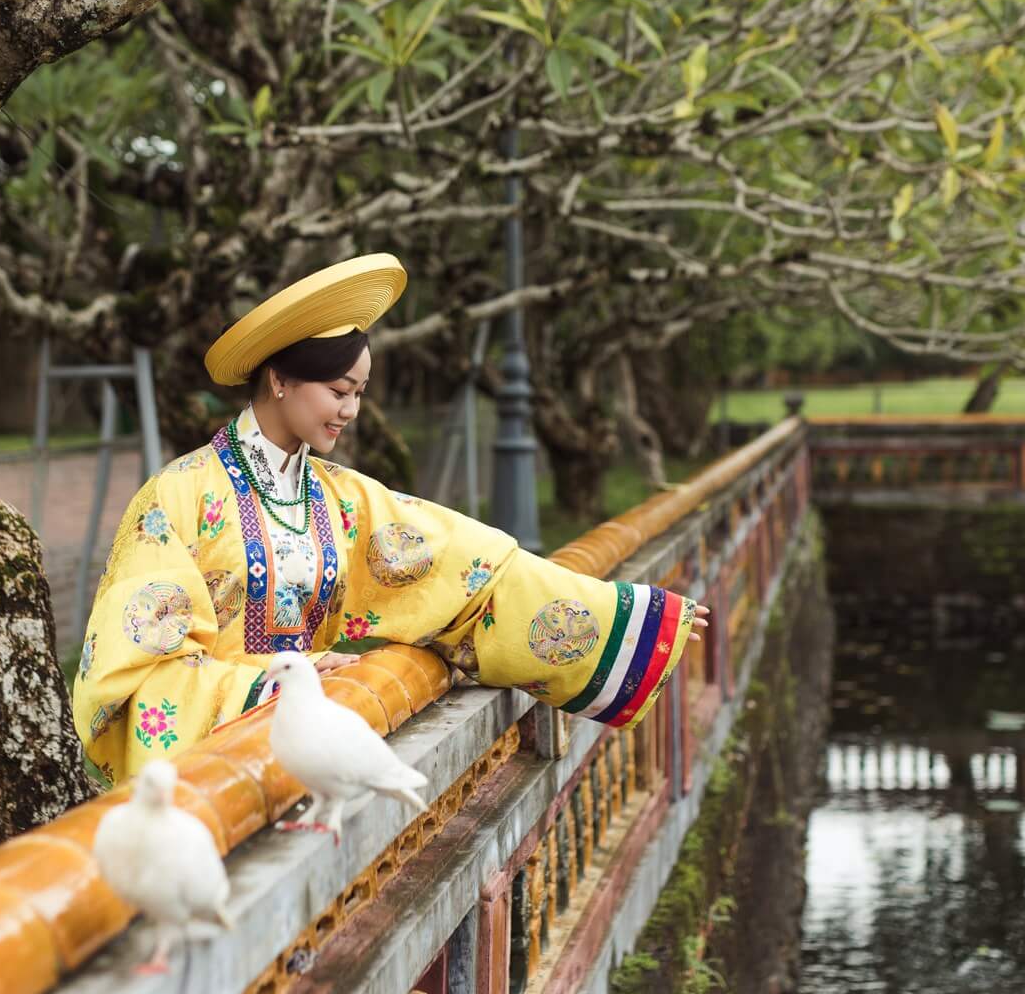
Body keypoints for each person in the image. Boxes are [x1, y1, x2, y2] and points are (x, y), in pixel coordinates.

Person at [72, 253, 709, 787]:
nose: (351, 410)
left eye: (360, 393)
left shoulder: (340, 499)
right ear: (280, 380)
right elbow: (137, 672)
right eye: (339, 391)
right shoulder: (176, 499)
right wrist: (268, 682)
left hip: (311, 760)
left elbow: (472, 573)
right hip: (211, 770)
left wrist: (629, 619)